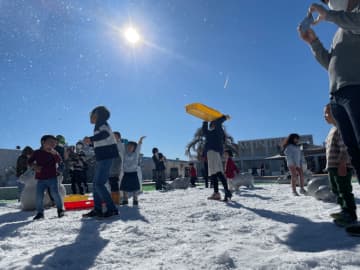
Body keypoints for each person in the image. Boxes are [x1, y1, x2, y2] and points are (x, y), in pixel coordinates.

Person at [298, 1, 360, 182]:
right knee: (354, 151)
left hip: (356, 87)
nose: (329, 2)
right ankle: (349, 211)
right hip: (337, 94)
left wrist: (329, 16)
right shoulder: (340, 29)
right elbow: (331, 64)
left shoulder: (352, 17)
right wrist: (314, 42)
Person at [83, 106, 119, 218]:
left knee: (99, 183)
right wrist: (91, 142)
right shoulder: (99, 125)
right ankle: (97, 209)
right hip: (102, 157)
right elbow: (102, 140)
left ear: (97, 115)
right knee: (95, 184)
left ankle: (112, 208)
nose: (90, 116)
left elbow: (105, 135)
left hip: (106, 156)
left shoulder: (102, 124)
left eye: (92, 114)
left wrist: (91, 139)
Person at [324, 104, 357, 226]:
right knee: (336, 189)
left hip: (341, 165)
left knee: (344, 190)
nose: (324, 116)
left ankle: (350, 214)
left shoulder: (341, 128)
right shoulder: (332, 130)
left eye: (327, 113)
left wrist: (343, 162)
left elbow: (344, 147)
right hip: (332, 166)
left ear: (335, 114)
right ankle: (344, 210)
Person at [28, 135, 64, 220]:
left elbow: (60, 161)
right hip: (41, 178)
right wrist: (34, 166)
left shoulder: (54, 153)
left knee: (55, 193)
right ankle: (40, 213)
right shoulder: (37, 152)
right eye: (51, 142)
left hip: (52, 177)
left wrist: (55, 154)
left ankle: (60, 210)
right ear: (43, 142)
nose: (53, 145)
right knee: (39, 196)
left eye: (54, 143)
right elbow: (29, 161)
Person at [202, 115, 232, 201]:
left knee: (218, 173)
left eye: (211, 124)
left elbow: (218, 122)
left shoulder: (218, 131)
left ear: (214, 125)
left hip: (214, 153)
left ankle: (226, 192)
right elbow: (204, 131)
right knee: (214, 174)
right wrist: (205, 121)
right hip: (211, 153)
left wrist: (225, 118)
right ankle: (217, 193)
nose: (210, 126)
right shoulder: (211, 133)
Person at [119, 136, 146, 206]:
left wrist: (140, 140)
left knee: (135, 188)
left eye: (132, 146)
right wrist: (119, 140)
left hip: (133, 173)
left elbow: (139, 147)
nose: (130, 147)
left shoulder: (136, 154)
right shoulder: (124, 153)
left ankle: (135, 200)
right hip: (126, 173)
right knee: (124, 187)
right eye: (128, 146)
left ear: (134, 148)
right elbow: (121, 147)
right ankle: (125, 200)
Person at [109, 131, 125, 205]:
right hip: (111, 167)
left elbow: (123, 156)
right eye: (113, 136)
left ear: (119, 137)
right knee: (112, 183)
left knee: (120, 182)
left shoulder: (122, 145)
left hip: (120, 167)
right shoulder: (110, 145)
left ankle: (120, 198)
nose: (114, 137)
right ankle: (112, 198)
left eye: (115, 136)